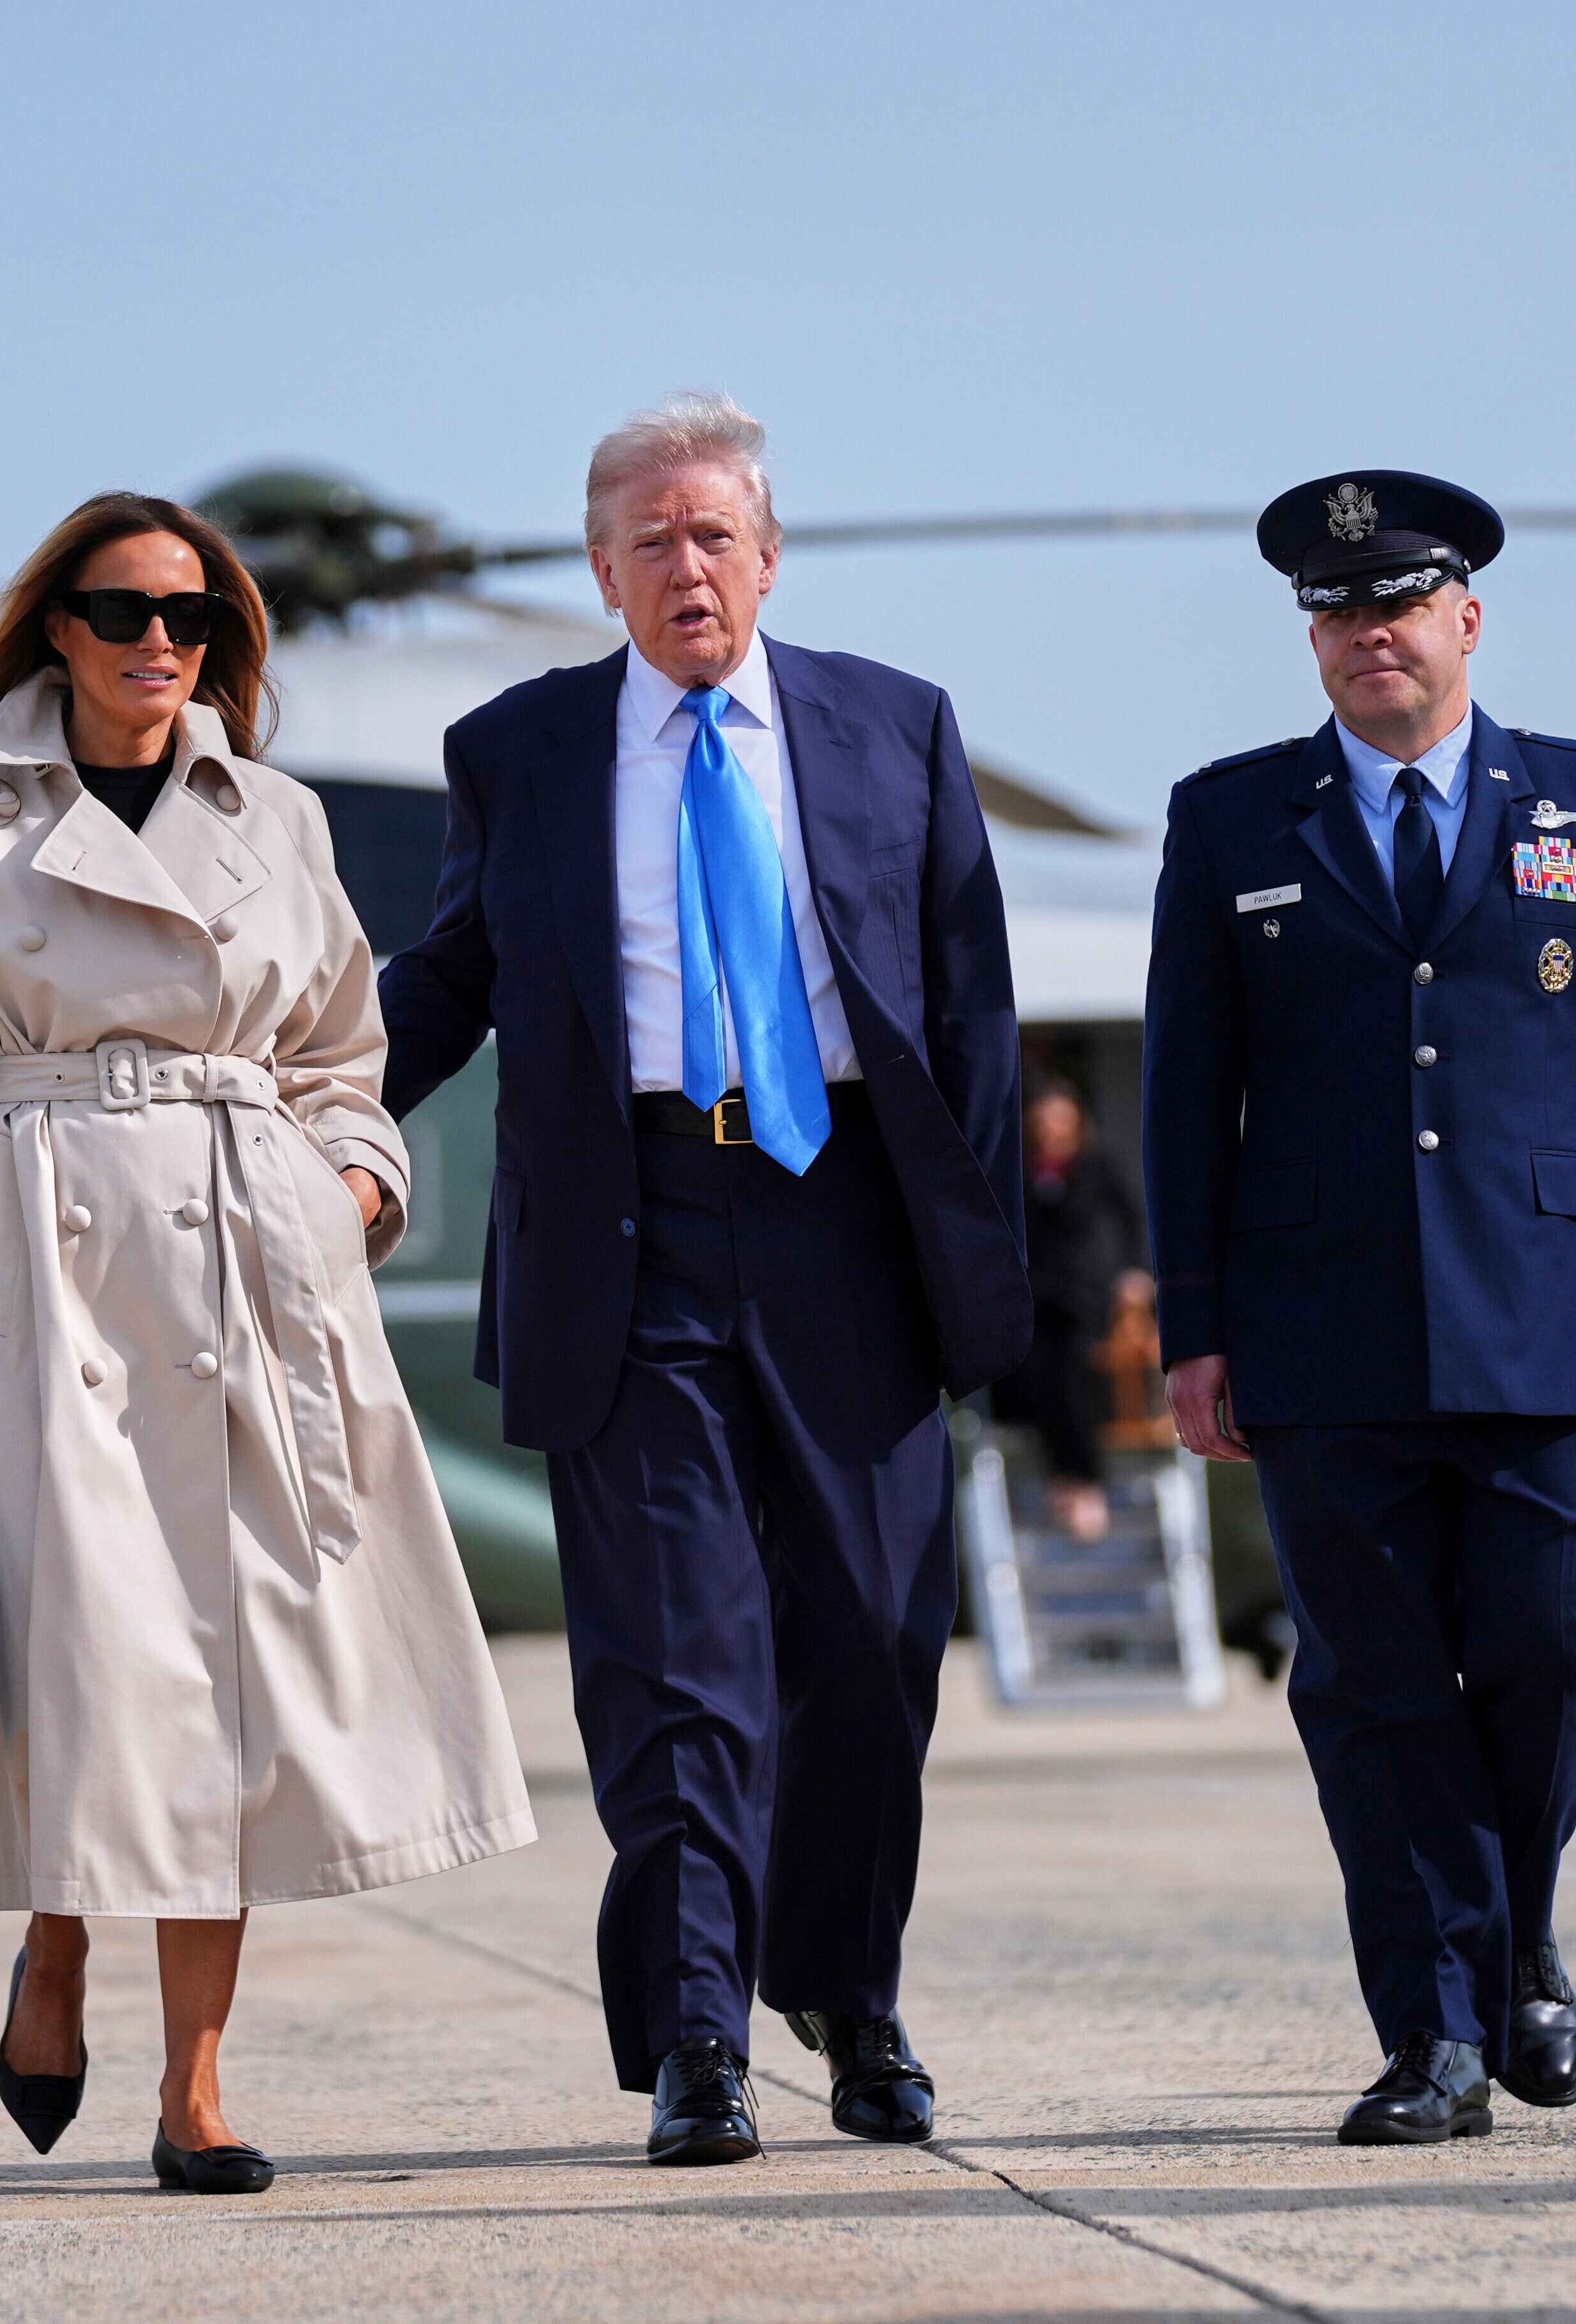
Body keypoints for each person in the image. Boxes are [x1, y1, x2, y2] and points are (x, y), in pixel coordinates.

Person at [0, 493, 535, 2198]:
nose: (161, 641)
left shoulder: (273, 817)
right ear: (57, 628)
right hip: (48, 1273)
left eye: (193, 614)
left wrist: (348, 1182)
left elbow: (340, 1049)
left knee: (228, 1676)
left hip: (252, 1263)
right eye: (125, 609)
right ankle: (57, 1943)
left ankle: (196, 2083)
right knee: (87, 1663)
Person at [379, 395, 1030, 2167]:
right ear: (601, 572)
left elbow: (969, 1011)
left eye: (713, 534)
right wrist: (308, 1109)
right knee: (679, 1660)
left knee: (874, 1642)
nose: (687, 567)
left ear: (768, 554)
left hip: (846, 1225)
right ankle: (694, 2032)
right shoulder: (516, 751)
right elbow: (449, 975)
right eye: (649, 540)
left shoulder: (893, 726)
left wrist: (976, 1270)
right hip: (632, 1227)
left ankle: (840, 1982)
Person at [1142, 470, 1576, 2145]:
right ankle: (1438, 2035)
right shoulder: (1230, 821)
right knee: (1375, 1684)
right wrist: (1194, 1330)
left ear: (1464, 615)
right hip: (1319, 1330)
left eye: (1395, 600)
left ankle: (1513, 1926)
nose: (1365, 631)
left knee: (1558, 1638)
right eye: (1333, 608)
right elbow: (1182, 1096)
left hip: (1543, 1316)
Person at [995, 1078, 1148, 1538]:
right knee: (1037, 1384)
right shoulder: (1021, 1168)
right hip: (1034, 1294)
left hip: (1084, 1293)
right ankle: (1063, 1477)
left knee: (1072, 1382)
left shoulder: (1097, 1165)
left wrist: (1135, 1272)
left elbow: (1132, 1218)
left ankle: (1087, 1481)